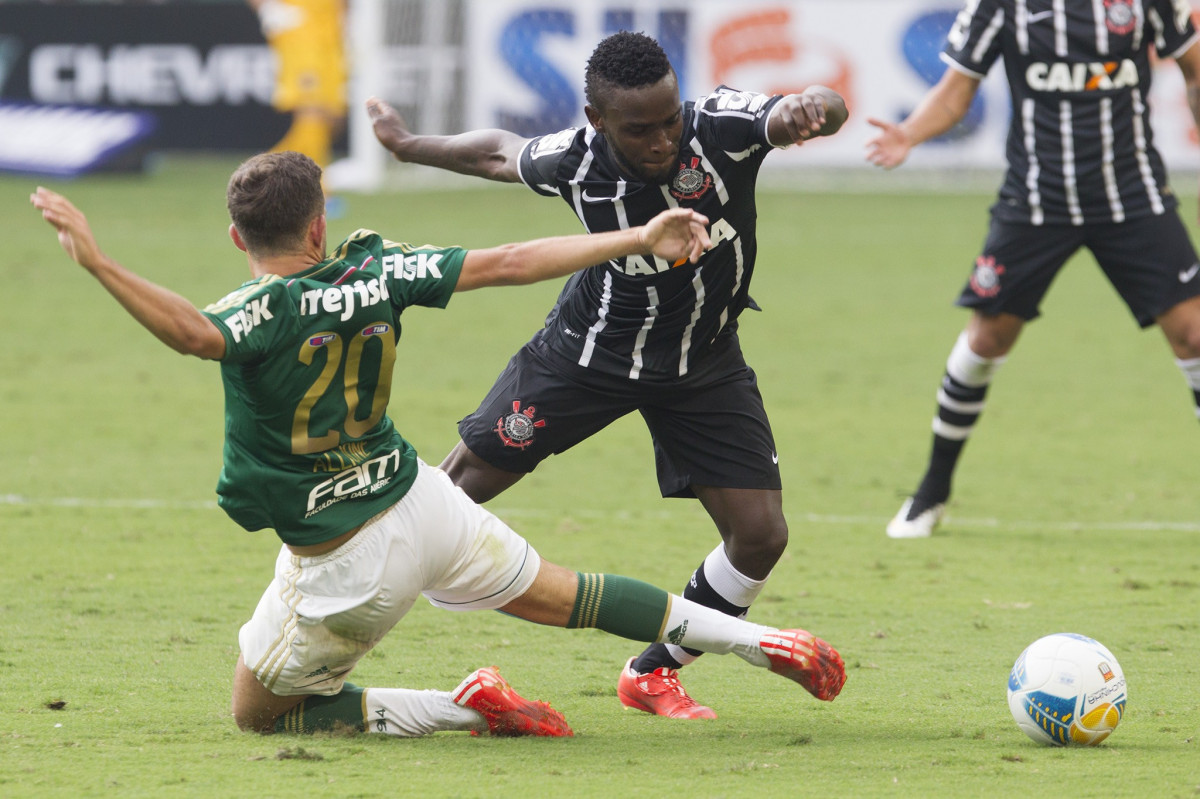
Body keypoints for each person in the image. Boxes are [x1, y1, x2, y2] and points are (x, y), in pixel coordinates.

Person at [30, 146, 845, 739]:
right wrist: (635, 239)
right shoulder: (379, 271)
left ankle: (465, 705)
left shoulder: (258, 313)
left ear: (238, 239)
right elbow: (511, 260)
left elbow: (191, 332)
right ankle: (757, 637)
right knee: (572, 594)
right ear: (320, 224)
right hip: (426, 500)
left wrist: (99, 261)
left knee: (258, 713)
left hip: (347, 560)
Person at [367, 30, 848, 719]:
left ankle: (652, 672)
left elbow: (817, 107)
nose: (661, 141)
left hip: (703, 362)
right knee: (450, 497)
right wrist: (408, 145)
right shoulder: (575, 160)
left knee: (761, 534)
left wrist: (813, 107)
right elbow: (499, 152)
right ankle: (342, 608)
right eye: (639, 129)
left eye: (669, 120)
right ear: (597, 121)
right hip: (585, 356)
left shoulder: (722, 130)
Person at [866, 0, 1200, 538]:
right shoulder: (1001, 5)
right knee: (987, 338)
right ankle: (931, 492)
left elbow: (1194, 68)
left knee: (1194, 334)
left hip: (1134, 199)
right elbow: (956, 92)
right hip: (1036, 203)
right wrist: (909, 134)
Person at [248, 0, 347, 168]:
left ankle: (266, 172)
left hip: (331, 29)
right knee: (312, 109)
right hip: (299, 29)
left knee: (333, 117)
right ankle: (316, 185)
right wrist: (267, 7)